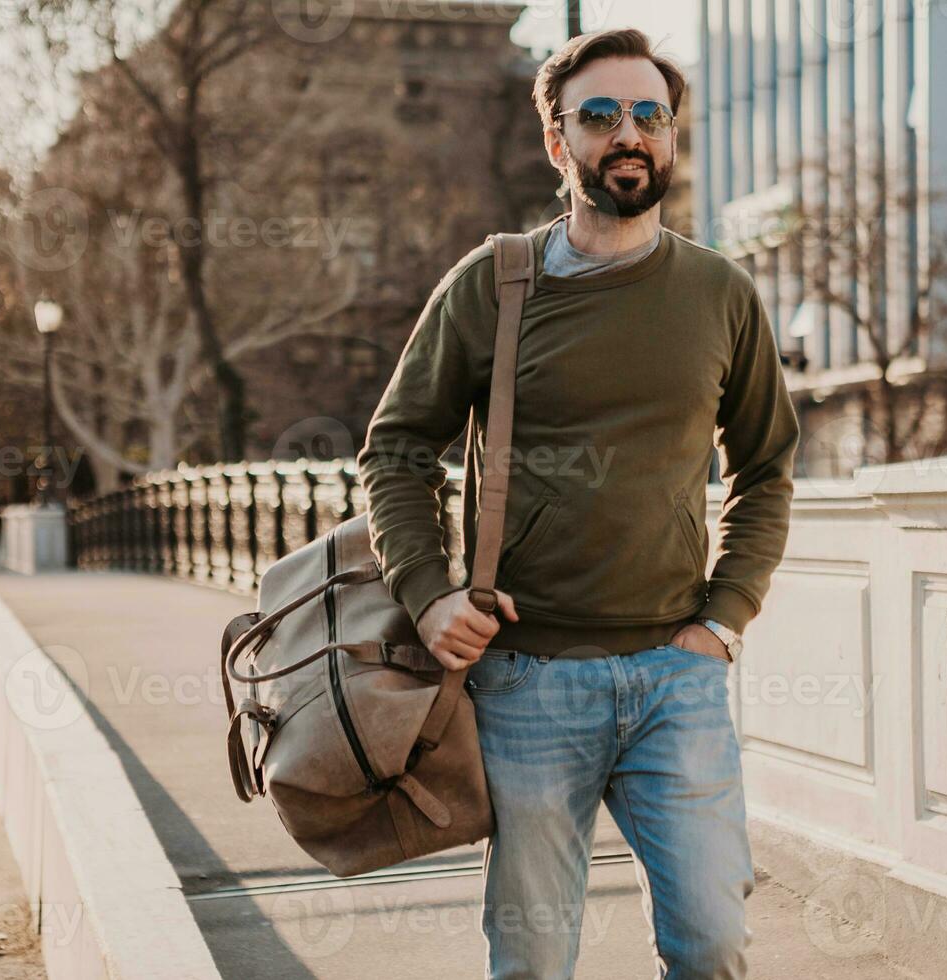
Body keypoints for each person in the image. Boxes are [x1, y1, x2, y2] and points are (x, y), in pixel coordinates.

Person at [356, 28, 799, 980]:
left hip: (675, 677)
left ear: (673, 139)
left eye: (650, 115)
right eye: (600, 116)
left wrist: (724, 619)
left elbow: (766, 468)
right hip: (524, 682)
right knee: (532, 960)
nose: (628, 134)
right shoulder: (494, 283)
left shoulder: (721, 292)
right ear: (559, 143)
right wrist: (430, 593)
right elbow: (395, 450)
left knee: (715, 945)